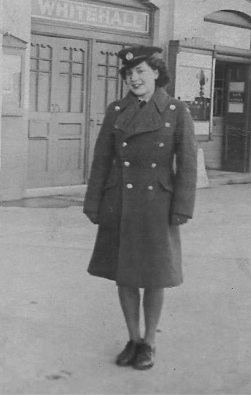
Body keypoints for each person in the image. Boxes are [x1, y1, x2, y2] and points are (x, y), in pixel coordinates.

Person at [83, 45, 197, 370]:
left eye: (140, 72)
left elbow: (187, 163)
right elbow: (102, 160)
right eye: (129, 73)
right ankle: (132, 339)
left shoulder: (176, 110)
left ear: (157, 73)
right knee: (125, 276)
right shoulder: (116, 109)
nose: (134, 78)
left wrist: (182, 207)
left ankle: (149, 343)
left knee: (155, 277)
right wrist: (94, 202)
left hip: (157, 204)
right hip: (120, 201)